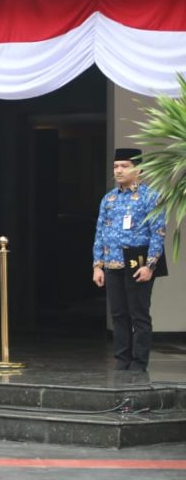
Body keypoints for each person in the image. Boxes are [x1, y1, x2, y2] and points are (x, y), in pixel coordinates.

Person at [92, 148, 167, 372]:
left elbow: (158, 233)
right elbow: (100, 233)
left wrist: (150, 266)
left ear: (138, 169)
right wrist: (98, 265)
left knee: (139, 315)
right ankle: (122, 359)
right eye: (116, 166)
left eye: (124, 166)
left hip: (138, 263)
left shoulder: (150, 196)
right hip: (112, 263)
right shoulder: (109, 199)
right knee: (118, 314)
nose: (119, 170)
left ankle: (139, 362)